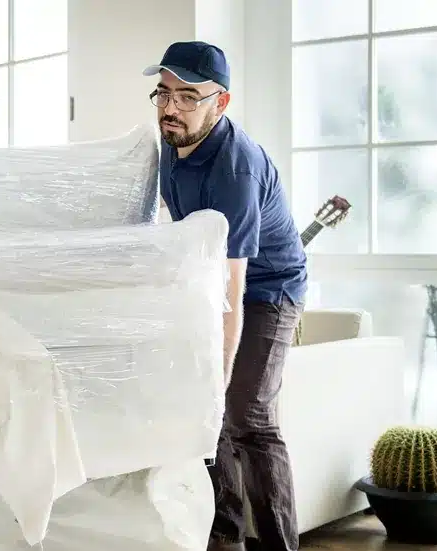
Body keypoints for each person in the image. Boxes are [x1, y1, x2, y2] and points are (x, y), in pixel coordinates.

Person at [143, 42, 308, 551]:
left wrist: (220, 367)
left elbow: (234, 292)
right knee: (205, 406)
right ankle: (225, 537)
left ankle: (281, 545)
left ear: (222, 102)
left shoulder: (235, 168)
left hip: (268, 288)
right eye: (164, 93)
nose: (171, 108)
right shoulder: (168, 143)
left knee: (245, 413)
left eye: (188, 96)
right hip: (208, 282)